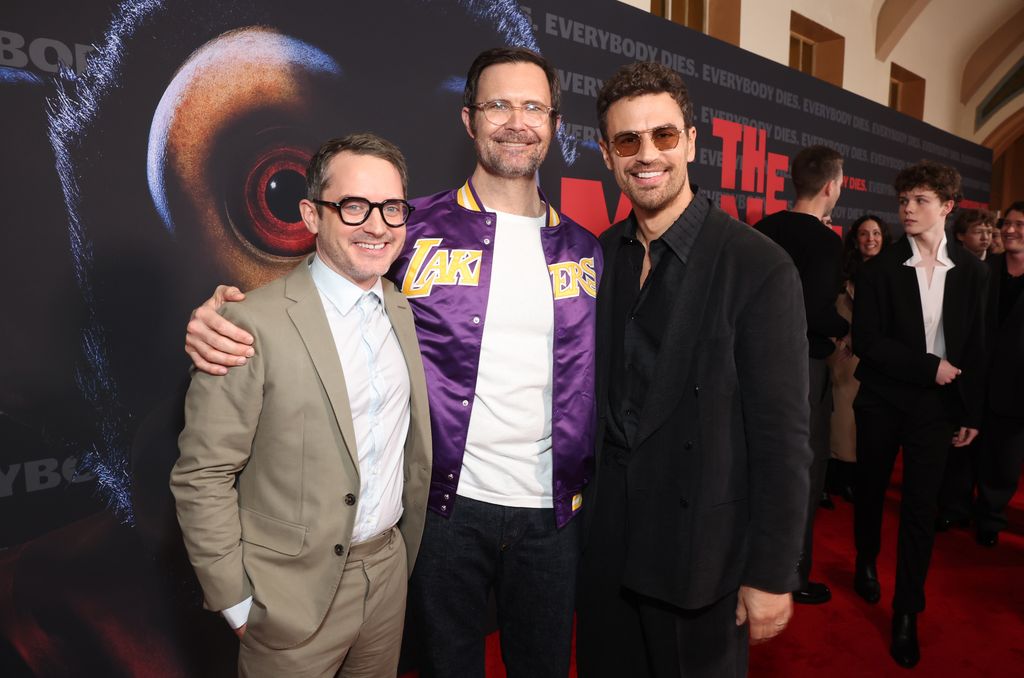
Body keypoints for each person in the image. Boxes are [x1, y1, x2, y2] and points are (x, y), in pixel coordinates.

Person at [182, 47, 601, 678]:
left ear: (555, 123)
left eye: (533, 106)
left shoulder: (587, 251)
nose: (516, 120)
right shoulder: (410, 226)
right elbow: (318, 290)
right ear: (469, 119)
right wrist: (214, 315)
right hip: (442, 513)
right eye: (497, 104)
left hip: (553, 511)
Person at [576, 61, 812, 678]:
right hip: (609, 557)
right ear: (606, 154)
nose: (646, 155)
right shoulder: (600, 257)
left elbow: (783, 440)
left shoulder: (757, 266)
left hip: (701, 564)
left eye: (664, 135)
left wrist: (770, 574)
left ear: (691, 142)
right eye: (627, 141)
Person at [170, 133, 432, 677]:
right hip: (289, 599)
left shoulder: (401, 311)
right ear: (312, 215)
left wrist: (399, 563)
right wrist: (236, 602)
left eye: (392, 208)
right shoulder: (247, 325)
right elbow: (203, 474)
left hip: (387, 578)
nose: (378, 225)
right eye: (354, 206)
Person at [851, 160, 987, 668]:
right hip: (883, 399)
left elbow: (976, 345)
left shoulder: (973, 271)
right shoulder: (880, 267)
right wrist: (928, 366)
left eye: (920, 200)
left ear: (947, 207)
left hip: (935, 409)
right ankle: (866, 558)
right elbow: (867, 342)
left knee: (919, 510)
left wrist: (971, 409)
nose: (907, 209)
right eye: (903, 200)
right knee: (869, 489)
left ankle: (907, 609)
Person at [755, 145, 850, 606]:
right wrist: (847, 328)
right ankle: (792, 576)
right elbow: (814, 312)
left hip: (753, 365)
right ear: (831, 186)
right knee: (804, 475)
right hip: (804, 371)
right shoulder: (829, 243)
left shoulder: (763, 229)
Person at [827, 215, 892, 502]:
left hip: (877, 360)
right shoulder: (842, 274)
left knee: (862, 422)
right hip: (841, 356)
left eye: (876, 233)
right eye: (864, 234)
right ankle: (836, 476)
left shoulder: (892, 274)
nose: (870, 239)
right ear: (855, 239)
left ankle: (855, 477)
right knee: (839, 418)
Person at [974, 201, 1024, 547]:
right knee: (966, 450)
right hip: (978, 377)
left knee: (1004, 459)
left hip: (1017, 385)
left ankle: (991, 515)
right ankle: (955, 507)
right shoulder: (985, 270)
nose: (1009, 230)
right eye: (1006, 223)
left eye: (1019, 225)